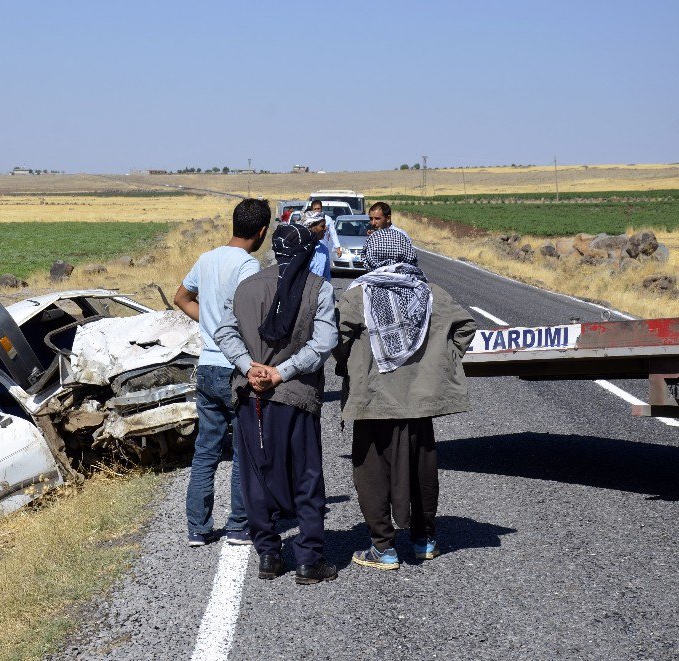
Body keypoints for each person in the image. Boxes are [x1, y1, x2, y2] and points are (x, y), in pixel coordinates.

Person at [333, 227, 476, 570]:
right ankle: (424, 541)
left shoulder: (358, 295)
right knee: (421, 470)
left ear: (372, 255)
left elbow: (336, 339)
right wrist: (439, 360)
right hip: (420, 400)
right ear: (408, 254)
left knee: (371, 473)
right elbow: (465, 327)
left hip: (373, 398)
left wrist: (352, 361)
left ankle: (383, 549)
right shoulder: (431, 293)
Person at [214, 223, 338, 584]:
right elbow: (324, 342)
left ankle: (268, 555)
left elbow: (224, 331)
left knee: (256, 476)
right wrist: (281, 372)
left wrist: (248, 367)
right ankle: (308, 560)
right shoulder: (320, 288)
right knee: (306, 475)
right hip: (296, 396)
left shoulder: (246, 287)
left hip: (251, 394)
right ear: (305, 252)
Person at [174, 198, 270, 547]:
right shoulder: (248, 266)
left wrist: (211, 324)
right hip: (234, 367)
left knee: (206, 450)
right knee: (244, 448)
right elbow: (253, 317)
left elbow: (181, 297)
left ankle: (198, 528)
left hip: (207, 365)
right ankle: (238, 525)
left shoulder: (206, 259)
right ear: (261, 232)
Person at [299, 214, 332, 282]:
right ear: (311, 227)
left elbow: (326, 277)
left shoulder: (324, 250)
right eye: (322, 226)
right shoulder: (299, 249)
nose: (325, 228)